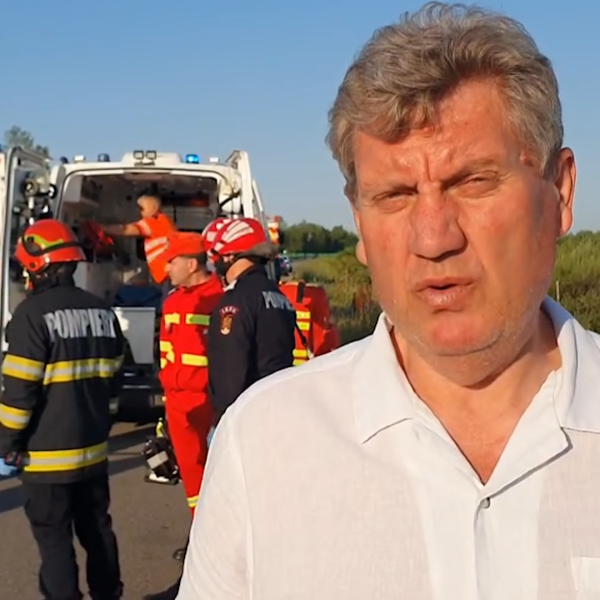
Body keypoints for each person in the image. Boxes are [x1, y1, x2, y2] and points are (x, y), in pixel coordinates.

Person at [176, 4, 595, 599]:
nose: (434, 238)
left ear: (559, 191)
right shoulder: (262, 443)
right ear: (358, 221)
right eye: (395, 195)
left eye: (473, 182)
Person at [0, 219, 126, 600]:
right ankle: (108, 594)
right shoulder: (102, 312)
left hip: (46, 460)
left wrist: (7, 443)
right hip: (93, 454)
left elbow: (19, 394)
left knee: (55, 543)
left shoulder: (31, 315)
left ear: (37, 266)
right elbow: (114, 386)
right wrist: (101, 427)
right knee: (98, 531)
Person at [143, 232, 223, 600]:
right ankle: (200, 542)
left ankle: (212, 553)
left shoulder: (219, 298)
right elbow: (169, 355)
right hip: (177, 403)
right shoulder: (174, 300)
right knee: (192, 483)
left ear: (192, 264)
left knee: (213, 479)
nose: (167, 269)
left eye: (172, 262)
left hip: (205, 402)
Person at [204, 217, 297, 425]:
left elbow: (229, 369)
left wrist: (222, 421)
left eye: (217, 256)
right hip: (277, 408)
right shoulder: (277, 295)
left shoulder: (236, 300)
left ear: (229, 255)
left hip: (246, 418)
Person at [98, 192, 177, 296]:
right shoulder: (165, 221)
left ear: (154, 207)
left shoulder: (153, 222)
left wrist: (101, 228)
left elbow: (126, 230)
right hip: (169, 274)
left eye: (142, 208)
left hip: (166, 275)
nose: (139, 212)